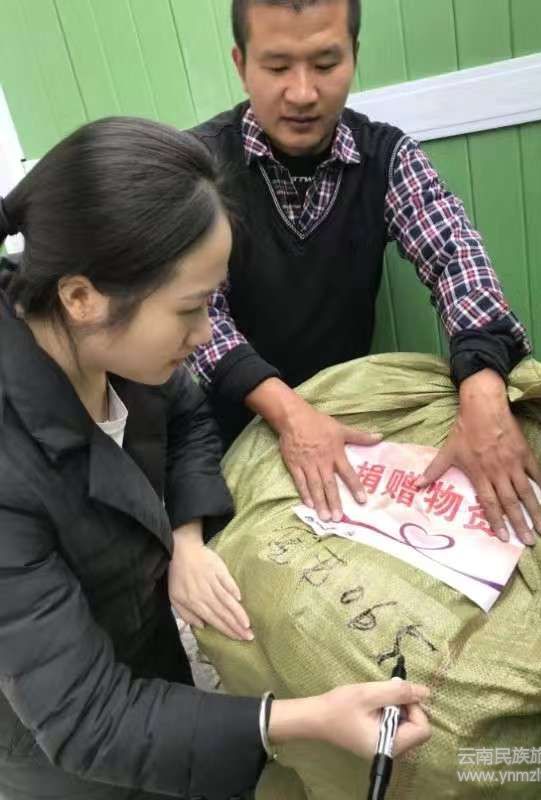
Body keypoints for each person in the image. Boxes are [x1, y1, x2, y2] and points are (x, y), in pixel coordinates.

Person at [0, 117, 431, 800]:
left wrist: (184, 539)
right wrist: (305, 719)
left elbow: (191, 416)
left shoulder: (116, 350)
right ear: (82, 298)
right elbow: (87, 719)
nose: (206, 334)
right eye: (191, 309)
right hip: (62, 751)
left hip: (150, 665)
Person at [188, 0, 541, 546]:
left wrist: (484, 386)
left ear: (354, 56)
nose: (303, 93)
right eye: (277, 66)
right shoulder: (198, 166)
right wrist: (290, 415)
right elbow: (199, 318)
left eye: (325, 63)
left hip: (347, 410)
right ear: (241, 64)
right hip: (226, 430)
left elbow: (456, 258)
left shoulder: (387, 155)